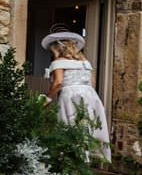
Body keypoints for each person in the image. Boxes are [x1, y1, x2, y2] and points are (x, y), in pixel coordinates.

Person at [42, 30, 112, 162]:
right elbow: (92, 83)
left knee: (71, 127)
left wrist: (48, 98)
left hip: (70, 96)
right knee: (86, 126)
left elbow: (58, 83)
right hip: (89, 95)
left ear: (57, 48)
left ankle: (73, 161)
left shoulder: (58, 62)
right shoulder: (85, 62)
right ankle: (85, 161)